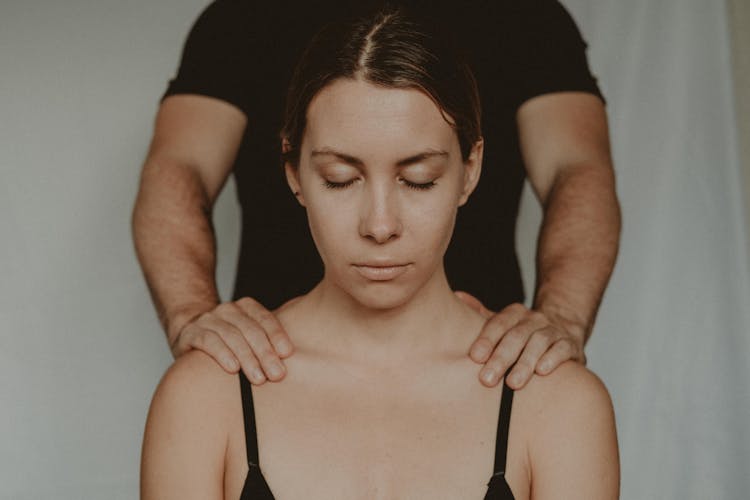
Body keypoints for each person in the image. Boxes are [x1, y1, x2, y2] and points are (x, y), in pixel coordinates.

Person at [141, 8, 619, 499]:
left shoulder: (558, 404)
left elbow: (577, 167)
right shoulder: (205, 396)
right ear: (292, 171)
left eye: (419, 179)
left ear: (471, 169)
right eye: (339, 179)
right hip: (260, 366)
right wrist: (191, 317)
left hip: (501, 372)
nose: (380, 226)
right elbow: (180, 166)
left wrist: (561, 319)